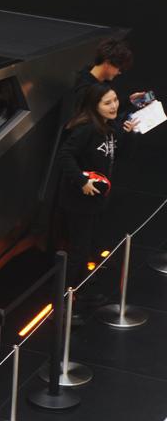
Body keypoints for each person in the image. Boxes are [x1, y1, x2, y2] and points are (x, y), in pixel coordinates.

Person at [57, 83, 135, 295]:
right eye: (107, 102)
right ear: (94, 105)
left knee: (88, 247)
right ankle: (65, 299)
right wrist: (82, 182)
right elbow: (64, 155)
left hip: (97, 200)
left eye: (115, 100)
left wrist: (128, 136)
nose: (114, 106)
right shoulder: (86, 129)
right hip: (79, 201)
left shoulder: (109, 127)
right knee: (78, 250)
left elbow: (115, 156)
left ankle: (81, 289)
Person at [73, 38, 144, 113]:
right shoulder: (84, 90)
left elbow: (109, 111)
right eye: (119, 68)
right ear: (107, 63)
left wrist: (130, 101)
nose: (119, 72)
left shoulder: (103, 81)